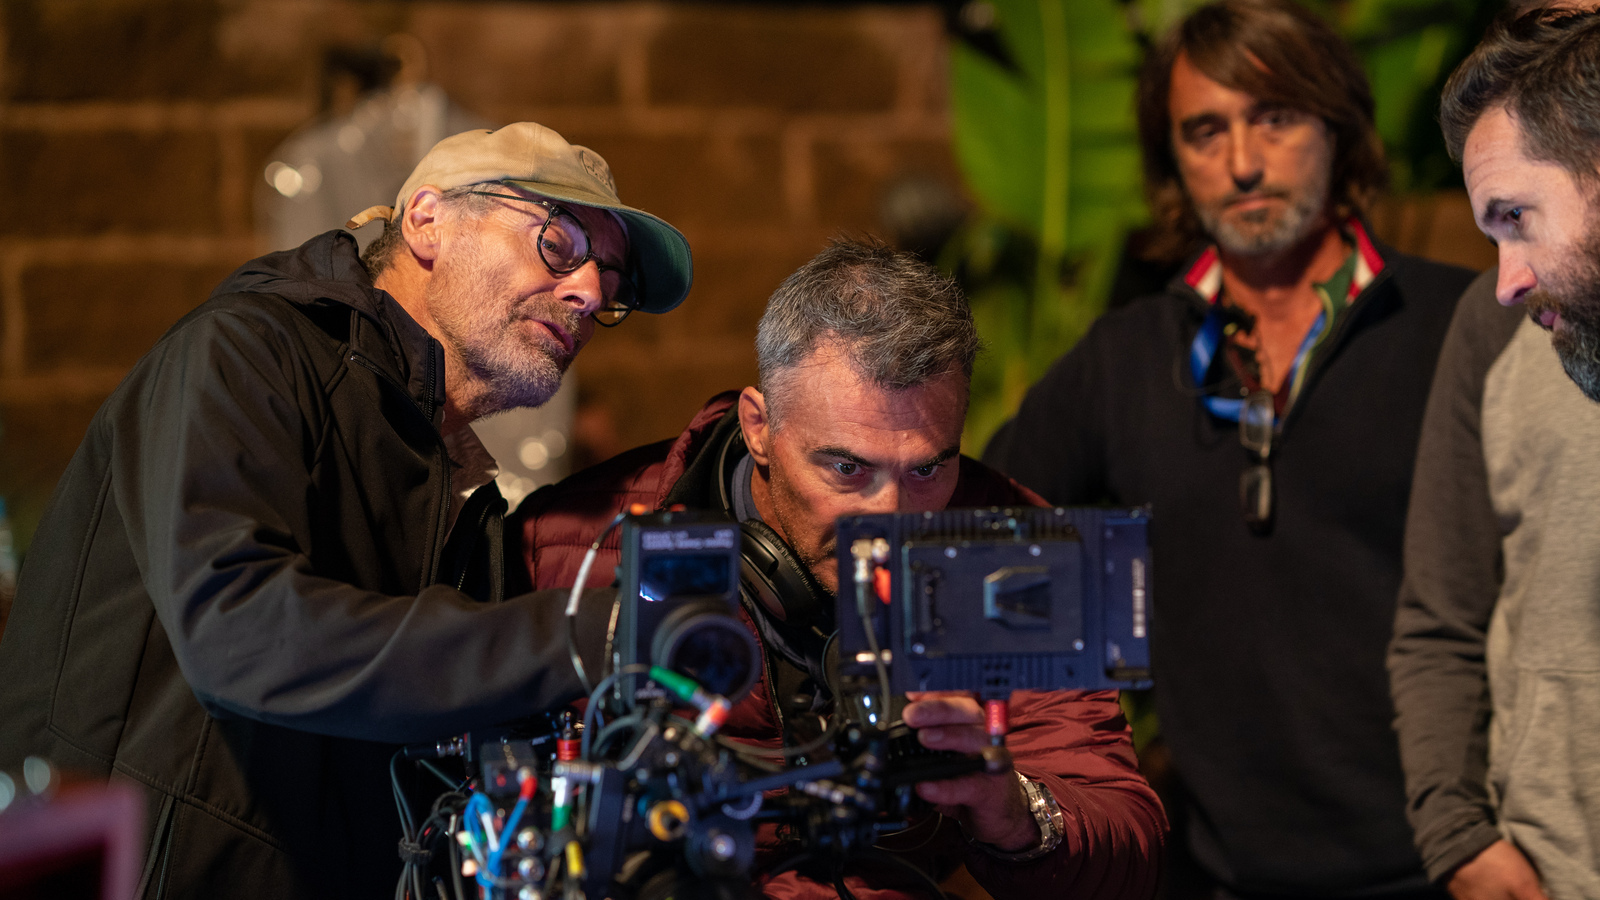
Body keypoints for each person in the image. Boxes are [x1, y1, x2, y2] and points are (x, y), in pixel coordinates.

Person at [0, 122, 693, 899]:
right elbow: (241, 631)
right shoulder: (245, 354)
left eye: (610, 279)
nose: (590, 293)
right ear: (427, 221)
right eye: (558, 245)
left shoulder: (452, 478)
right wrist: (585, 634)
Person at [980, 0, 1477, 896]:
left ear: (1337, 126)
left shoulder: (1465, 326)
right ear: (1173, 158)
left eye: (1275, 117)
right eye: (1205, 131)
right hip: (1221, 877)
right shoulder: (1125, 359)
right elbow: (970, 532)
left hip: (1459, 868)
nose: (1243, 162)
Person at [511, 240, 1166, 899]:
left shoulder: (1017, 545)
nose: (889, 518)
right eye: (848, 468)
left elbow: (1127, 844)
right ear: (759, 427)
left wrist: (1013, 810)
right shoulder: (570, 544)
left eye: (926, 469)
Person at [1389, 9, 1600, 899]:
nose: (1506, 281)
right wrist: (1459, 836)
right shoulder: (1497, 329)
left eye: (1517, 218)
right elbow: (1439, 618)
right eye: (1490, 233)